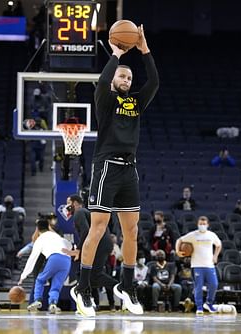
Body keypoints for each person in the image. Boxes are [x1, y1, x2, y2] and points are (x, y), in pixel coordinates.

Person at [71, 25, 159, 317]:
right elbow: (103, 80)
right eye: (122, 75)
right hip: (106, 166)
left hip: (129, 169)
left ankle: (127, 287)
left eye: (129, 76)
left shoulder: (135, 102)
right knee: (97, 229)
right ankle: (82, 289)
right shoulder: (105, 100)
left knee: (131, 231)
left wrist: (144, 50)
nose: (126, 78)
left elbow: (154, 82)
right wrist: (117, 54)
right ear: (114, 80)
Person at [62, 194, 117, 311]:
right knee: (85, 274)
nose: (66, 206)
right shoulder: (84, 212)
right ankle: (88, 299)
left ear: (75, 203)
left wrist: (78, 249)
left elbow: (86, 231)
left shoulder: (79, 212)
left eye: (68, 203)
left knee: (93, 274)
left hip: (100, 243)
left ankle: (121, 287)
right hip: (101, 242)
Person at [18, 218, 72, 314]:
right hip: (67, 260)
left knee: (40, 280)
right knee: (56, 286)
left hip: (54, 258)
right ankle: (53, 303)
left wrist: (23, 276)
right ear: (49, 227)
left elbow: (32, 259)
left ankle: (37, 300)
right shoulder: (56, 236)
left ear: (37, 229)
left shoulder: (40, 239)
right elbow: (69, 245)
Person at [176, 216, 222, 315]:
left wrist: (215, 256)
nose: (202, 225)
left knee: (214, 284)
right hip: (197, 265)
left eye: (204, 224)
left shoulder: (211, 235)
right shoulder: (193, 235)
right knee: (198, 287)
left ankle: (209, 303)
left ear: (208, 225)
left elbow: (218, 245)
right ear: (197, 224)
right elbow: (179, 240)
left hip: (210, 265)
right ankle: (199, 307)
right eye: (200, 224)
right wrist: (177, 251)